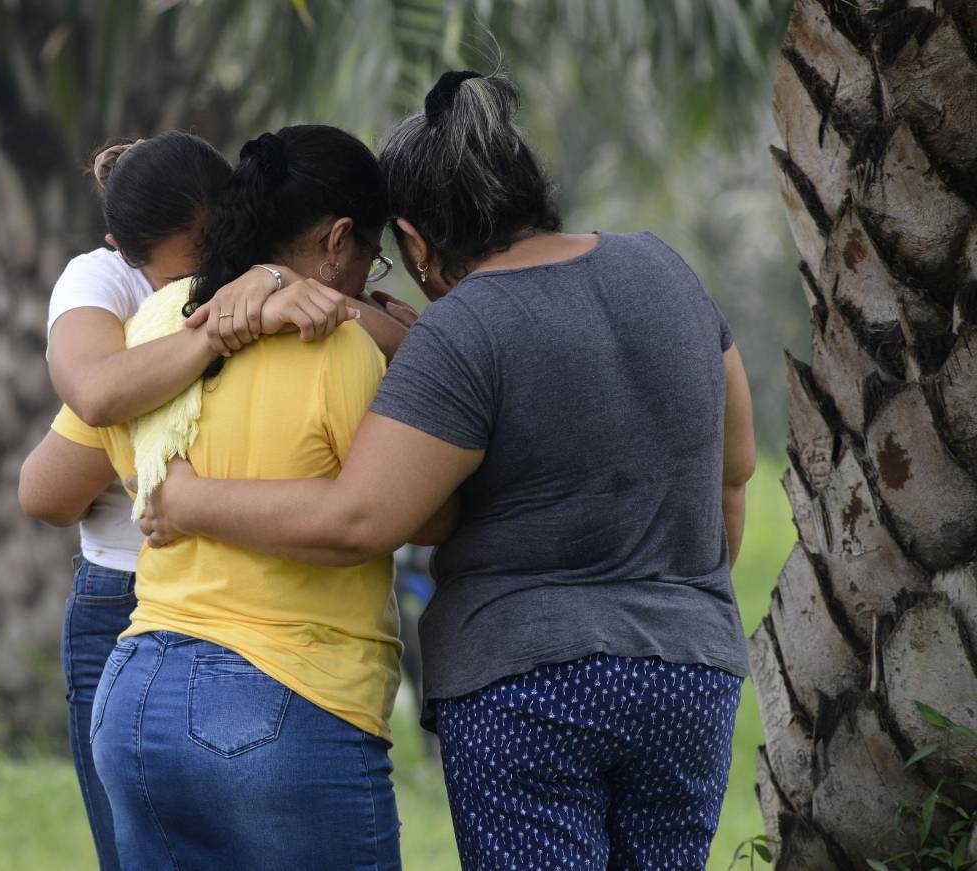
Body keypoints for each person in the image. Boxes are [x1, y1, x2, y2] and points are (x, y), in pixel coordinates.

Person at [140, 70, 758, 871]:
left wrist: (187, 500)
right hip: (691, 673)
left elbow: (360, 520)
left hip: (526, 684)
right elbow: (734, 469)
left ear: (419, 241)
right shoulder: (666, 272)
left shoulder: (465, 330)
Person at [17, 131, 409, 870]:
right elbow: (396, 512)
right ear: (338, 239)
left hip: (138, 682)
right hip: (281, 686)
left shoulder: (148, 327)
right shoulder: (330, 346)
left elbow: (47, 479)